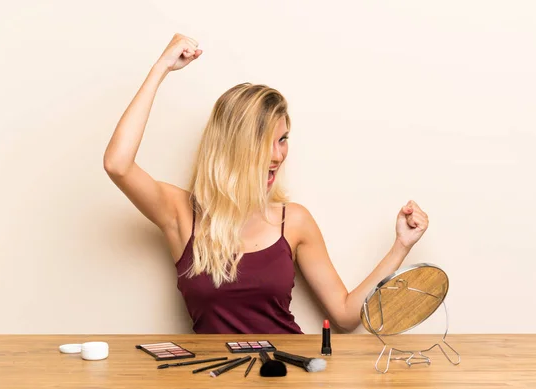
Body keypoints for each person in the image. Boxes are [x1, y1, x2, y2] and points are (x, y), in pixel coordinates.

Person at [103, 33, 429, 334]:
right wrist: (161, 68)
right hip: (214, 386)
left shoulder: (295, 220)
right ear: (233, 146)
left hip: (288, 378)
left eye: (283, 139)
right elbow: (118, 165)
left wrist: (401, 245)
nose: (278, 156)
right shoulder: (180, 214)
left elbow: (344, 315)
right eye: (265, 142)